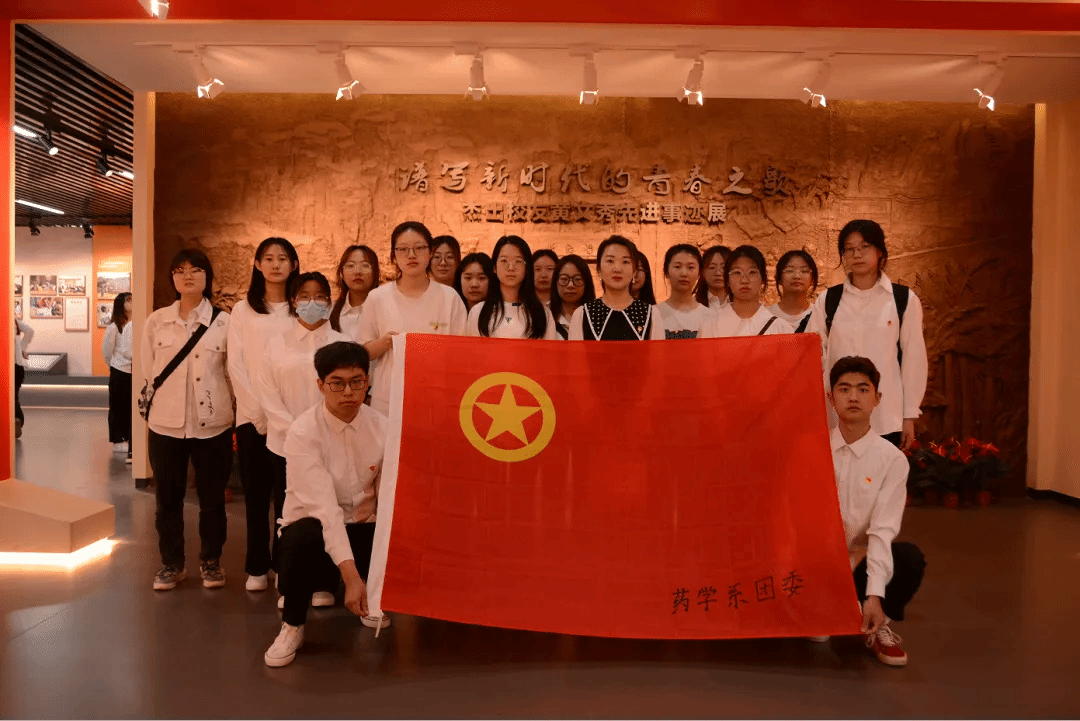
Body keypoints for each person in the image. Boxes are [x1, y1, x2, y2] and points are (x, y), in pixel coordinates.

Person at [264, 341, 389, 668]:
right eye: (337, 383)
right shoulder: (303, 432)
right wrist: (351, 577)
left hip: (361, 527)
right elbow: (326, 511)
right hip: (316, 535)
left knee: (395, 524)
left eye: (356, 382)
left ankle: (373, 599)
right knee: (301, 533)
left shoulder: (383, 427)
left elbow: (387, 499)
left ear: (368, 381)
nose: (348, 392)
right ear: (321, 385)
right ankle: (292, 626)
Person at [819, 356, 925, 667]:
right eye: (844, 389)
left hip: (857, 564)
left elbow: (882, 530)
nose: (853, 397)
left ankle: (877, 625)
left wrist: (875, 596)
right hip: (816, 565)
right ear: (831, 398)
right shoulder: (814, 450)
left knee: (909, 558)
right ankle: (823, 612)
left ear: (877, 399)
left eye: (863, 389)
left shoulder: (892, 460)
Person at [142, 249, 233, 591]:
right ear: (173, 278)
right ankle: (172, 564)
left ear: (207, 276)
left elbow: (232, 373)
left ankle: (211, 561)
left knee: (212, 499)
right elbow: (147, 371)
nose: (187, 276)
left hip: (214, 424)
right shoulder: (156, 321)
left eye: (195, 270)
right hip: (165, 424)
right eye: (180, 271)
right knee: (167, 499)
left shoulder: (224, 323)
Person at [258, 272, 350, 604]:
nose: (313, 302)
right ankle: (290, 582)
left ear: (330, 301)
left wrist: (320, 432)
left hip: (331, 443)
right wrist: (297, 432)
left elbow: (347, 393)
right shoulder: (276, 344)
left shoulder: (342, 344)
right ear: (294, 301)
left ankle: (324, 580)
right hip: (285, 445)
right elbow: (267, 393)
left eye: (320, 296)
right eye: (305, 296)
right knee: (291, 513)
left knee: (329, 510)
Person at [805, 219, 928, 449]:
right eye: (849, 249)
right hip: (836, 419)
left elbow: (914, 359)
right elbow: (812, 356)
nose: (857, 254)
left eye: (864, 247)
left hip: (886, 417)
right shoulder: (829, 300)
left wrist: (909, 415)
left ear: (880, 251)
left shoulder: (902, 299)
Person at [227, 237, 300, 593]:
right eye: (268, 258)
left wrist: (283, 415)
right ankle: (257, 566)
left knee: (289, 498)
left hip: (292, 419)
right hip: (252, 418)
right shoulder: (243, 310)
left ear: (294, 265)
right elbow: (235, 364)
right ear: (257, 264)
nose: (275, 264)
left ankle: (283, 563)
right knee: (255, 497)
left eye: (283, 258)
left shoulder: (300, 308)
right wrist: (257, 413)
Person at [356, 222, 468, 414]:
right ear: (393, 256)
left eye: (419, 248)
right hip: (389, 399)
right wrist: (385, 343)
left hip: (437, 399)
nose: (411, 255)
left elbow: (462, 355)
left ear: (430, 252)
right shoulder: (378, 298)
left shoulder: (449, 298)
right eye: (403, 249)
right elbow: (361, 353)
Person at [568, 236, 665, 341]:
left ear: (634, 271)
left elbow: (657, 351)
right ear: (599, 268)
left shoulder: (651, 314)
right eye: (610, 261)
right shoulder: (582, 314)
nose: (617, 269)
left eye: (625, 262)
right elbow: (575, 352)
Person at [468, 236, 558, 340]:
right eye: (504, 261)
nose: (511, 268)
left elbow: (549, 350)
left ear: (527, 268)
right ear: (494, 267)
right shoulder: (478, 312)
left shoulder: (543, 314)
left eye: (518, 261)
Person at [700, 245, 794, 338]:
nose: (744, 280)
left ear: (763, 278)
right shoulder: (710, 326)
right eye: (737, 272)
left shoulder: (780, 329)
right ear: (727, 280)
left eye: (752, 272)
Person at [101, 292, 134, 462]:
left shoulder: (135, 324)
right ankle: (118, 439)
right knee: (117, 406)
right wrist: (114, 365)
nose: (132, 302)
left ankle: (129, 437)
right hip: (119, 370)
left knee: (130, 407)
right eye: (129, 300)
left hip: (133, 371)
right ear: (121, 304)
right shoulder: (114, 327)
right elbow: (107, 351)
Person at [656, 244, 709, 339]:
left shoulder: (709, 316)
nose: (684, 273)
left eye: (691, 267)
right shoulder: (654, 314)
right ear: (666, 272)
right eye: (677, 267)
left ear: (699, 273)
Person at [329, 245, 379, 338]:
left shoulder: (385, 310)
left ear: (375, 272)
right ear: (342, 273)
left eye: (365, 265)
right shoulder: (329, 313)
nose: (357, 272)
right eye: (350, 266)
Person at [769, 250, 818, 332]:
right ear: (778, 278)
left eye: (804, 271)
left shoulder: (819, 316)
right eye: (789, 271)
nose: (797, 276)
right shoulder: (766, 316)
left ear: (813, 279)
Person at [549, 254, 596, 340]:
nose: (570, 285)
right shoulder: (545, 318)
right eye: (564, 279)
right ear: (555, 282)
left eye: (577, 279)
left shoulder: (597, 318)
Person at [694, 245, 732, 310]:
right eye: (712, 267)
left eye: (724, 268)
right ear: (703, 272)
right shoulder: (692, 304)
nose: (718, 273)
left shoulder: (743, 303)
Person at [13, 316, 33, 440]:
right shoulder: (14, 322)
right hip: (18, 367)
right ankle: (17, 419)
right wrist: (22, 349)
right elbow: (30, 331)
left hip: (8, 367)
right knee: (14, 396)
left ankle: (16, 419)